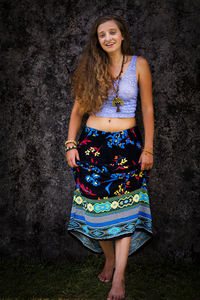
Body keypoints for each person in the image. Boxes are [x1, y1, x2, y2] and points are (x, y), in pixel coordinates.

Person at [65, 14, 154, 300]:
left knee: (126, 207)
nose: (108, 38)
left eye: (112, 33)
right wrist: (70, 144)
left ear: (122, 35)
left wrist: (148, 148)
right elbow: (78, 110)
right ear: (97, 40)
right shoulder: (92, 67)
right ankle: (110, 257)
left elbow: (148, 110)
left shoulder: (139, 65)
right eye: (102, 35)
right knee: (93, 206)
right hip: (92, 144)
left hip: (127, 145)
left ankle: (119, 277)